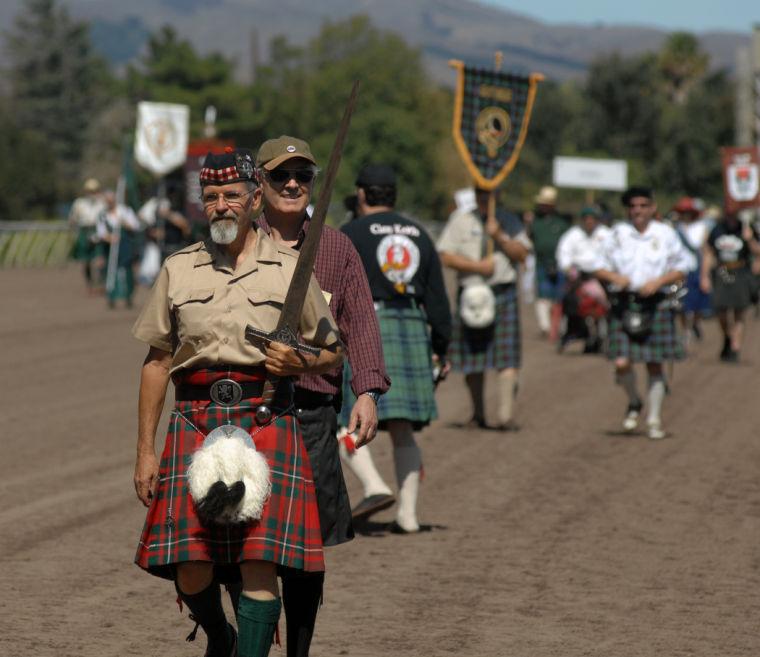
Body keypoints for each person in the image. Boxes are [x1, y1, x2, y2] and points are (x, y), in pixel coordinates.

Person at [131, 147, 343, 657]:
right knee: (191, 563)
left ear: (253, 200)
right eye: (211, 197)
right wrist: (145, 450)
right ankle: (221, 637)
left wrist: (302, 365)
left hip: (266, 418)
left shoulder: (291, 270)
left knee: (259, 559)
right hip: (195, 418)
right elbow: (157, 363)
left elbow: (333, 352)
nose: (221, 205)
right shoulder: (179, 269)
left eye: (231, 196)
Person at [253, 137, 390, 657]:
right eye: (280, 176)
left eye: (302, 177)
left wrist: (368, 391)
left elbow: (361, 323)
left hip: (311, 414)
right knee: (240, 544)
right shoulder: (239, 242)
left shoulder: (335, 247)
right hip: (246, 415)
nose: (292, 185)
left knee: (304, 552)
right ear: (260, 183)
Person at [338, 163, 450, 535]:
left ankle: (373, 485)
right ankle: (408, 516)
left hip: (366, 326)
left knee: (344, 420)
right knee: (404, 430)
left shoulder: (349, 231)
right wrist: (441, 347)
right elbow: (437, 299)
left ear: (362, 195)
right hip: (413, 327)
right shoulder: (419, 233)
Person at [591, 187, 692, 440]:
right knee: (621, 362)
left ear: (652, 208)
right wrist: (614, 276)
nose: (638, 210)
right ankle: (635, 400)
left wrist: (659, 282)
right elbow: (596, 265)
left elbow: (684, 266)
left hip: (656, 302)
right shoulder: (617, 233)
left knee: (654, 363)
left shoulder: (666, 234)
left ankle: (654, 420)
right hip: (624, 302)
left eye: (643, 205)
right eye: (633, 206)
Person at [438, 187, 531, 430]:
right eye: (481, 193)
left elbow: (522, 254)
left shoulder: (509, 220)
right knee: (473, 358)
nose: (485, 199)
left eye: (490, 194)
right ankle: (477, 414)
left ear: (499, 195)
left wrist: (499, 235)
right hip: (471, 292)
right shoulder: (461, 219)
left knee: (507, 357)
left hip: (503, 292)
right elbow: (445, 255)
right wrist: (479, 267)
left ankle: (505, 416)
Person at [700, 211, 760, 362]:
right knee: (721, 312)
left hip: (740, 272)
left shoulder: (747, 228)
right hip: (722, 272)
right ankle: (728, 337)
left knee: (739, 312)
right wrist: (704, 276)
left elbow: (757, 251)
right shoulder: (717, 229)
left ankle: (735, 347)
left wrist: (750, 238)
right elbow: (708, 253)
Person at [555, 206, 611, 352]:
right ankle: (571, 335)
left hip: (602, 277)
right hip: (578, 278)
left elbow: (614, 254)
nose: (589, 222)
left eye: (592, 219)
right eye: (586, 219)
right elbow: (563, 255)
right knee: (570, 304)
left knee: (608, 307)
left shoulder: (606, 234)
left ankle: (605, 337)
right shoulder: (572, 235)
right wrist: (569, 270)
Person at [529, 186, 570, 339]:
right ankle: (545, 327)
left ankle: (559, 327)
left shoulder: (562, 223)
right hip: (541, 263)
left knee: (560, 297)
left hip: (560, 264)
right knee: (543, 297)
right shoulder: (535, 222)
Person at [671, 196, 711, 343]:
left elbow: (706, 252)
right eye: (683, 212)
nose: (685, 215)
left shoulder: (702, 228)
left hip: (696, 270)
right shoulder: (675, 229)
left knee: (697, 304)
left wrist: (705, 275)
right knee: (682, 304)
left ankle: (695, 323)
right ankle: (685, 331)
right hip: (680, 271)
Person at [95, 190, 141, 308]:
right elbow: (101, 233)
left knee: (126, 271)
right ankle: (112, 297)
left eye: (111, 200)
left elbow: (136, 226)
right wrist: (110, 238)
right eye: (107, 201)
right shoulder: (102, 215)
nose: (109, 203)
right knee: (111, 272)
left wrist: (125, 223)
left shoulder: (125, 211)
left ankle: (128, 297)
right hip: (110, 249)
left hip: (125, 246)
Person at [68, 178, 105, 293]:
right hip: (84, 230)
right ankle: (89, 284)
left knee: (100, 259)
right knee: (86, 261)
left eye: (94, 191)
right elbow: (72, 219)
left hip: (97, 230)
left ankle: (101, 283)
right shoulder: (79, 203)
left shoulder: (102, 203)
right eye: (90, 191)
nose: (92, 194)